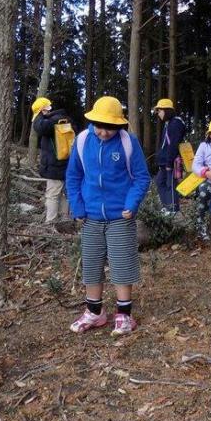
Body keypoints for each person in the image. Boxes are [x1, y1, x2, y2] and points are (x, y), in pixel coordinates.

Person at [66, 96, 151, 336]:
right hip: (91, 216)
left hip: (120, 216)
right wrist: (78, 207)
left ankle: (124, 316)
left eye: (110, 127)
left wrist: (131, 204)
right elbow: (73, 177)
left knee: (122, 264)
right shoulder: (82, 141)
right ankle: (95, 312)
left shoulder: (128, 142)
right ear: (92, 122)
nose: (104, 132)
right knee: (91, 264)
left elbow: (142, 177)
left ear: (119, 125)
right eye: (100, 126)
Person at [31, 96, 72, 222]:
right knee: (64, 193)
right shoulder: (64, 119)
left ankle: (50, 222)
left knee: (52, 195)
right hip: (66, 162)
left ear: (44, 110)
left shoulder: (50, 122)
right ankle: (65, 219)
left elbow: (39, 127)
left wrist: (39, 115)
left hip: (55, 165)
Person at [152, 98, 186, 215]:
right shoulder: (168, 123)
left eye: (159, 111)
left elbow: (174, 145)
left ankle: (173, 208)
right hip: (164, 161)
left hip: (171, 162)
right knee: (160, 182)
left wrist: (169, 163)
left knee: (170, 184)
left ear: (166, 110)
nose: (158, 114)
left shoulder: (176, 123)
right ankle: (167, 206)